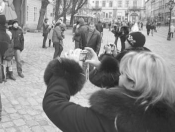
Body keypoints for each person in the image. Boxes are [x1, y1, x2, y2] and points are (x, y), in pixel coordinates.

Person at [43, 49, 175, 132]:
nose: (119, 76)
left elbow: (54, 104)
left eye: (122, 73)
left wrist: (67, 68)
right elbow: (124, 85)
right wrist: (101, 65)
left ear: (133, 84)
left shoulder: (115, 119)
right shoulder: (166, 114)